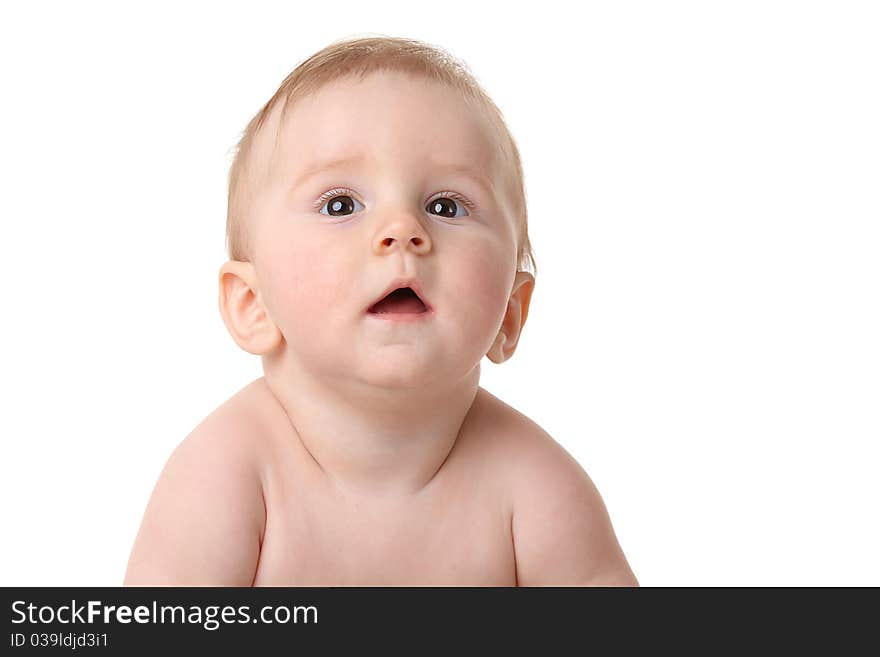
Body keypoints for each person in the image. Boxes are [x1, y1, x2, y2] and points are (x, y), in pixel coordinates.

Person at [124, 35, 638, 586]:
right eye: (341, 204)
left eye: (446, 206)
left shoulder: (538, 490)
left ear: (510, 312)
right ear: (254, 305)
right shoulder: (226, 475)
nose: (402, 231)